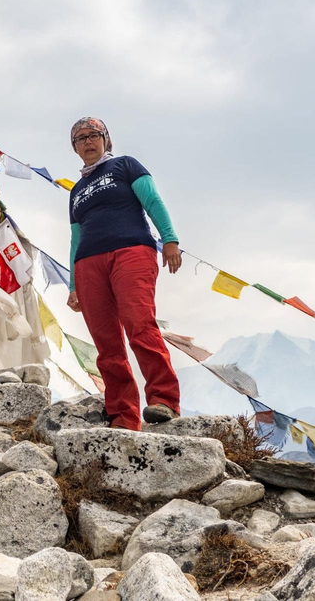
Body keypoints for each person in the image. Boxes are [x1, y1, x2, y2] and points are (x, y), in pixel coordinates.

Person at [65, 117, 182, 431]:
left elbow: (152, 200)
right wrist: (73, 284)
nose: (88, 142)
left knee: (139, 325)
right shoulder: (76, 190)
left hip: (132, 252)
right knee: (107, 343)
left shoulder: (125, 166)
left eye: (94, 135)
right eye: (81, 138)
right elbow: (76, 238)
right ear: (74, 147)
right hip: (88, 264)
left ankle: (164, 400)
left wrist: (169, 238)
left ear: (106, 139)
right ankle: (123, 416)